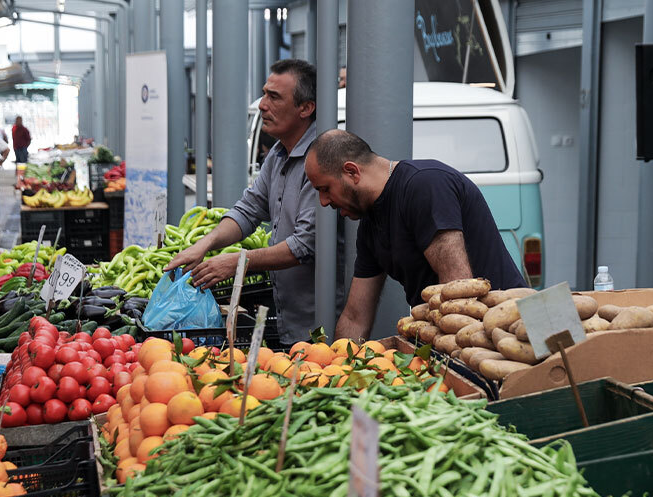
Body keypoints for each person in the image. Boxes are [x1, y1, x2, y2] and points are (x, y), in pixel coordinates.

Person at [166, 59, 341, 348]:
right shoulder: (277, 154)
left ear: (306, 108)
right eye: (264, 94)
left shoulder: (321, 159)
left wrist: (238, 262)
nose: (262, 105)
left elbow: (304, 245)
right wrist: (205, 244)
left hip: (318, 326)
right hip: (287, 316)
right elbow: (248, 211)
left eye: (274, 97)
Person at [304, 129, 527, 341]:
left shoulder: (425, 185)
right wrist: (338, 368)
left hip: (509, 332)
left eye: (325, 189)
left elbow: (459, 288)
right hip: (454, 336)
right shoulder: (369, 225)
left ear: (352, 172)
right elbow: (355, 317)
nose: (323, 202)